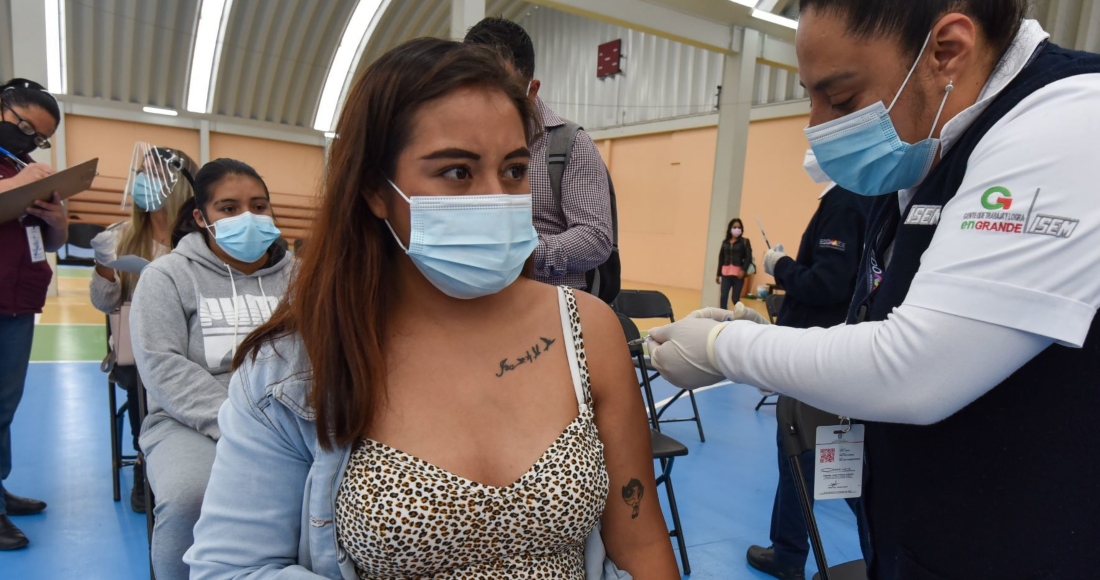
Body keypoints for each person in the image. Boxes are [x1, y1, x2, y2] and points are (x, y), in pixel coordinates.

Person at [185, 38, 678, 580]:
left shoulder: (587, 329)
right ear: (376, 190)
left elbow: (642, 547)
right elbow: (231, 569)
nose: (496, 198)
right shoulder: (295, 368)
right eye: (458, 172)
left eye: (514, 170)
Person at [647, 2, 1100, 577]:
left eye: (840, 99)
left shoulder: (1067, 123)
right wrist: (772, 335)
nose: (816, 126)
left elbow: (917, 369)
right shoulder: (933, 151)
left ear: (946, 52)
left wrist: (723, 349)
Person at [130, 158, 293, 580]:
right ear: (202, 217)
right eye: (229, 208)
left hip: (292, 415)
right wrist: (240, 423)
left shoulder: (302, 277)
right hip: (189, 419)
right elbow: (162, 365)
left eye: (259, 206)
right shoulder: (167, 275)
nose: (248, 217)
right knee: (192, 495)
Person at [747, 184, 873, 580]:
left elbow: (826, 284)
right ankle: (881, 548)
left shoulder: (843, 202)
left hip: (817, 356)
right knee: (842, 461)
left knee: (800, 452)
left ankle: (788, 554)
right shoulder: (869, 199)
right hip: (845, 351)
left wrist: (781, 265)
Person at [464, 17, 614, 292]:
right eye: (473, 91)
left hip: (548, 304)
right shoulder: (456, 143)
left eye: (504, 93)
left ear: (531, 90)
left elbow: (595, 238)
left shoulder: (569, 145)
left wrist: (524, 253)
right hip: (472, 300)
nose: (487, 105)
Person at [89, 143, 197, 513]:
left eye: (154, 174)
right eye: (141, 173)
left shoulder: (200, 240)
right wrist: (105, 269)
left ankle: (193, 456)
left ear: (179, 184)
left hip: (192, 348)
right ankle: (145, 459)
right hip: (138, 356)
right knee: (145, 379)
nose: (142, 181)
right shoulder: (120, 236)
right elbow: (103, 303)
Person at [0, 78, 64, 551]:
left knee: (4, 405)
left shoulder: (20, 165)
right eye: (25, 128)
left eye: (39, 138)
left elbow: (49, 242)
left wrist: (58, 223)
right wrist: (20, 185)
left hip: (18, 304)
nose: (29, 141)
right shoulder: (19, 173)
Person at [716, 218, 753, 308]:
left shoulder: (745, 242)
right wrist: (718, 274)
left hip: (738, 275)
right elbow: (721, 258)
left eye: (739, 227)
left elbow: (748, 257)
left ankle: (743, 313)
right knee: (723, 297)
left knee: (735, 299)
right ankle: (723, 315)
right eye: (734, 227)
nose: (737, 229)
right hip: (726, 274)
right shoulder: (725, 243)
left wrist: (743, 270)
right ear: (730, 229)